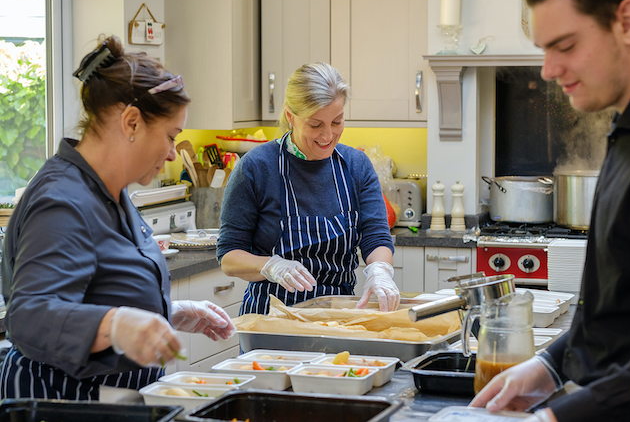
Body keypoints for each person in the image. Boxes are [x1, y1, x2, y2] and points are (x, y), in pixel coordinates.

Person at [0, 35, 236, 400]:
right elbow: (31, 316)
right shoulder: (62, 200)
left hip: (110, 399)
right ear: (131, 122)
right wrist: (116, 324)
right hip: (60, 401)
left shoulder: (112, 192)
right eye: (171, 136)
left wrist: (162, 313)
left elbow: (99, 289)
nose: (173, 153)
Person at [470, 0, 630, 421]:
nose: (548, 71)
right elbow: (618, 314)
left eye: (564, 46)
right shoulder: (626, 134)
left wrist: (558, 417)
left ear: (629, 22)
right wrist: (549, 367)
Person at [217, 62, 399, 316]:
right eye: (315, 125)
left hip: (338, 317)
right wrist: (272, 266)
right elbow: (229, 256)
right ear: (290, 116)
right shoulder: (256, 167)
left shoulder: (356, 166)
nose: (327, 135)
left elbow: (375, 237)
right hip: (271, 318)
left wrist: (380, 271)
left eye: (336, 122)